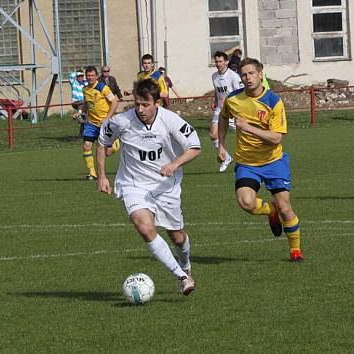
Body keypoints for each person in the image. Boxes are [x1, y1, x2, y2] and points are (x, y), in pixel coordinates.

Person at [95, 78, 200, 295]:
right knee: (144, 227)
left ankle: (186, 265)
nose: (140, 109)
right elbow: (102, 141)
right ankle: (181, 276)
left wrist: (174, 164)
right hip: (134, 185)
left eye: (145, 104)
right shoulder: (121, 121)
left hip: (166, 186)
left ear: (157, 103)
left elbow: (195, 147)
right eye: (137, 104)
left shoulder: (171, 120)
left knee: (177, 236)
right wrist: (102, 176)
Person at [218, 57, 303, 262]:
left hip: (274, 162)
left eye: (251, 73)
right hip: (247, 163)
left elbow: (277, 137)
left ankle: (295, 251)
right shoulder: (233, 99)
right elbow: (223, 117)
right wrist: (221, 144)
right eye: (243, 74)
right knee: (246, 202)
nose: (247, 78)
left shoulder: (273, 101)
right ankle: (270, 210)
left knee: (286, 208)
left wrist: (248, 127)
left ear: (260, 74)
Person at [78, 65, 119, 180]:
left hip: (105, 123)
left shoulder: (103, 88)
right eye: (88, 76)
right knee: (87, 145)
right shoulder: (85, 89)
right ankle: (92, 173)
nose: (90, 78)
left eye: (92, 75)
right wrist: (80, 112)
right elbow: (87, 104)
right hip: (91, 123)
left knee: (107, 152)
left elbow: (114, 102)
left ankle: (116, 143)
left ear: (96, 76)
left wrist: (107, 118)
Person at [211, 51, 243, 172]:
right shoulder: (214, 76)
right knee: (213, 134)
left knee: (244, 134)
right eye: (216, 61)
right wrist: (215, 102)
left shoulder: (234, 76)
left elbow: (240, 93)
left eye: (220, 61)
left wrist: (233, 104)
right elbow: (217, 91)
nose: (218, 64)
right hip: (220, 110)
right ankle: (226, 158)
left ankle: (250, 159)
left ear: (226, 62)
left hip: (233, 111)